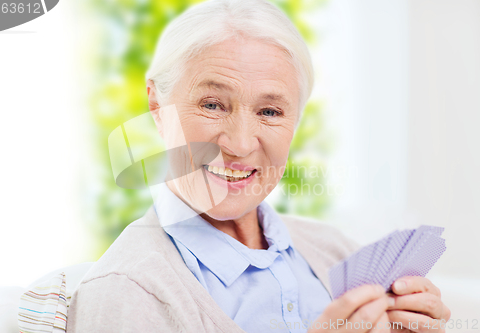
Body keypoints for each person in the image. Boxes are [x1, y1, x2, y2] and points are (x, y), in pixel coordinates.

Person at [67, 0, 450, 332]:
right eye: (213, 105)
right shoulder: (125, 291)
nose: (239, 144)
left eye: (270, 111)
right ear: (157, 108)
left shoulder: (336, 251)